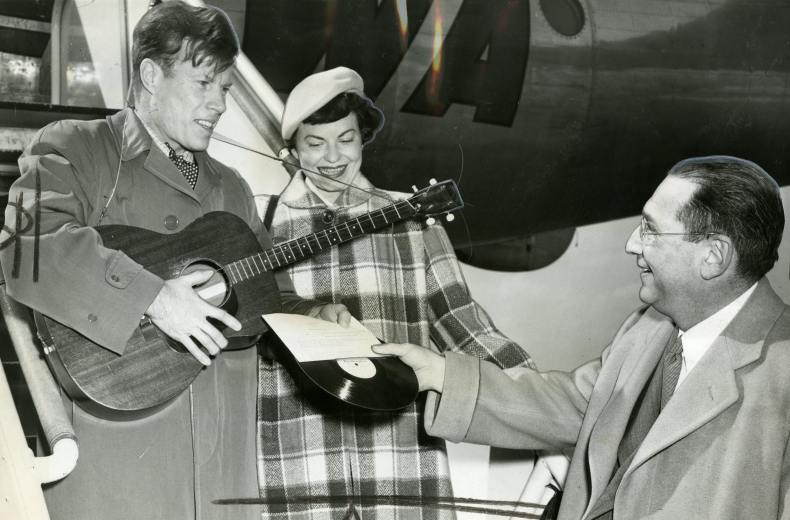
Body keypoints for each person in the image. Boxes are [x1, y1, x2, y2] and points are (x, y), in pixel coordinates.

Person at [0, 3, 347, 520]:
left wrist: (316, 319)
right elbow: (22, 250)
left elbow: (261, 294)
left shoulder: (232, 186)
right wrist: (155, 298)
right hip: (119, 468)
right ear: (149, 75)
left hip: (223, 473)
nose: (219, 104)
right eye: (205, 83)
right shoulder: (74, 146)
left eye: (225, 88)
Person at [376, 156, 790, 519]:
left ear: (713, 256)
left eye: (651, 229)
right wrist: (439, 373)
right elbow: (577, 408)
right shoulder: (648, 327)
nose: (632, 245)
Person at [254, 67, 535, 518]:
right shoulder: (259, 223)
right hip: (297, 453)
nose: (332, 157)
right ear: (291, 151)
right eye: (314, 142)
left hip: (400, 454)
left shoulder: (409, 218)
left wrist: (537, 393)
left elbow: (466, 330)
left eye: (345, 139)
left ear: (363, 138)